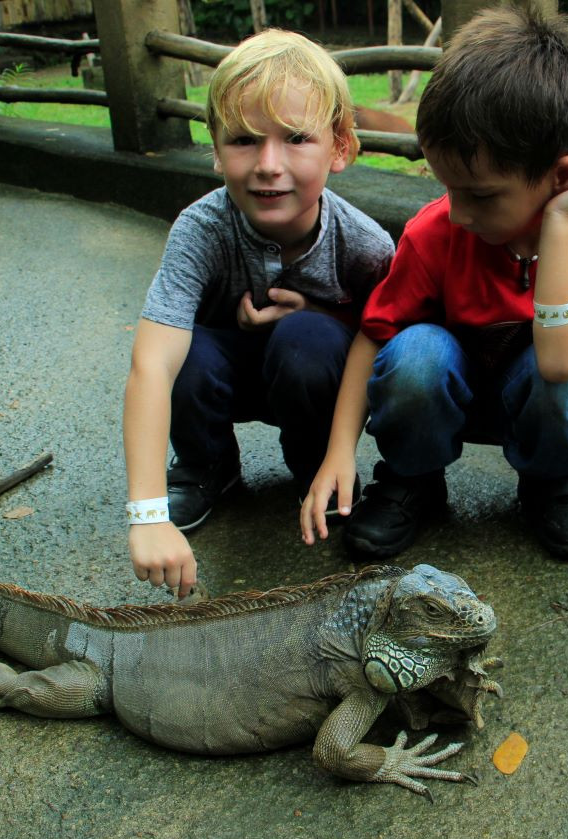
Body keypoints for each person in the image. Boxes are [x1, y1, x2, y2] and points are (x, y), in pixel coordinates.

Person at [300, 4, 568, 560]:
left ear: (562, 177)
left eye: (480, 195)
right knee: (415, 354)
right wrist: (340, 451)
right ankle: (413, 478)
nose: (456, 213)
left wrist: (559, 222)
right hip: (442, 395)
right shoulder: (435, 231)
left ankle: (550, 482)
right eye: (448, 188)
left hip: (533, 395)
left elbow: (559, 363)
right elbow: (374, 335)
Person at [124, 29, 394, 596]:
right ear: (216, 148)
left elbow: (388, 344)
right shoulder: (200, 229)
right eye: (244, 140)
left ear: (340, 147)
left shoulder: (365, 245)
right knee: (184, 351)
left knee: (310, 338)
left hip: (311, 377)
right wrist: (146, 515)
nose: (269, 164)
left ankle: (317, 469)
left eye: (296, 138)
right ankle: (206, 465)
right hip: (225, 373)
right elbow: (151, 363)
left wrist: (323, 312)